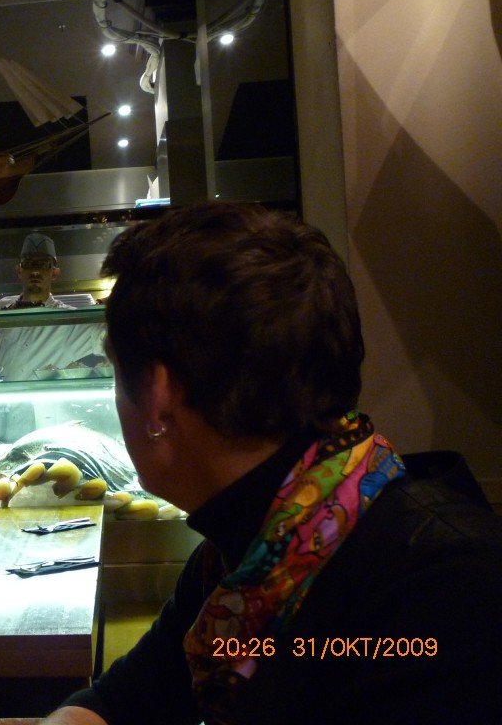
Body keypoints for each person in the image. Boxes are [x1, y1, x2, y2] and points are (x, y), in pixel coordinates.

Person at [43, 202, 502, 725]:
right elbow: (120, 704)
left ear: (157, 395)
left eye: (115, 368)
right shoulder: (245, 556)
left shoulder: (448, 590)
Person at [0, 232, 103, 381]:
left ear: (54, 273)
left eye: (43, 264)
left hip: (38, 396)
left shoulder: (69, 320)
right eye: (29, 263)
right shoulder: (2, 306)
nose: (35, 271)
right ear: (19, 270)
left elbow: (108, 337)